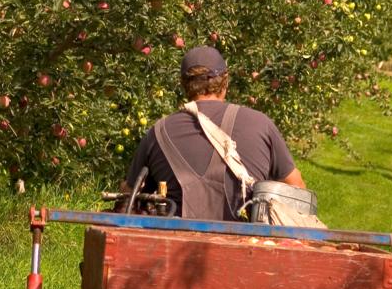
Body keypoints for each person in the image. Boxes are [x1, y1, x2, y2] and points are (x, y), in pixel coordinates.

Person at [123, 46, 306, 220]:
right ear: (225, 81)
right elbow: (297, 191)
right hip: (248, 245)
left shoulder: (158, 132)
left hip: (175, 246)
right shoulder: (260, 124)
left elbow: (128, 196)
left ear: (184, 84)